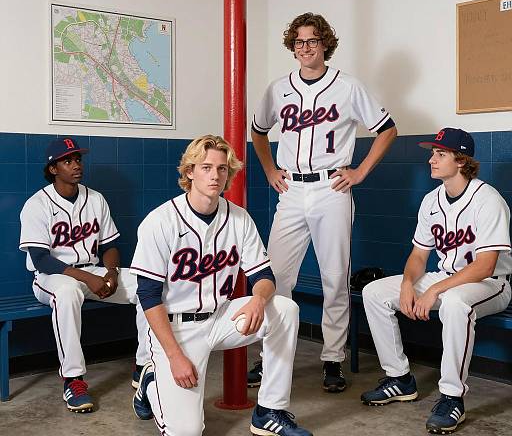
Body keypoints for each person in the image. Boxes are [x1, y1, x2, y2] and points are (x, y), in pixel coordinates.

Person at [250, 12, 397, 391]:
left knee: (334, 277)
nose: (305, 47)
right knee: (275, 276)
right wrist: (268, 169)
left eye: (312, 40)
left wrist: (360, 172)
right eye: (299, 41)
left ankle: (332, 359)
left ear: (325, 44)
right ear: (292, 46)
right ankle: (268, 357)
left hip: (332, 188)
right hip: (292, 190)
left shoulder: (347, 87)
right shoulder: (278, 88)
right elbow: (258, 130)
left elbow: (387, 129)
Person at [131, 135, 312, 436]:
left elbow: (264, 277)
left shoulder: (239, 218)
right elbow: (148, 296)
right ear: (189, 172)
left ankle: (270, 410)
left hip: (221, 317)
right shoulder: (160, 221)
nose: (215, 175)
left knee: (284, 308)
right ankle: (151, 381)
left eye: (222, 168)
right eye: (205, 167)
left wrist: (257, 300)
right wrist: (175, 357)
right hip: (177, 330)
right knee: (187, 432)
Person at [361, 128, 512, 434]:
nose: (431, 159)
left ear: (461, 161)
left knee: (455, 305)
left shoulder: (487, 199)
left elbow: (485, 266)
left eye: (440, 154)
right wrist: (406, 284)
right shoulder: (432, 200)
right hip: (446, 277)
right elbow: (418, 256)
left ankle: (452, 398)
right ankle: (400, 378)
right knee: (374, 292)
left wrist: (435, 290)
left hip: (491, 284)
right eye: (432, 153)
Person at [19, 137, 149, 413]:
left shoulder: (95, 198)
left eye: (78, 159)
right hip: (51, 278)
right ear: (53, 168)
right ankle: (73, 380)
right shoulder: (37, 204)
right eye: (67, 160)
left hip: (93, 270)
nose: (76, 165)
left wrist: (112, 273)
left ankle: (144, 367)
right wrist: (88, 279)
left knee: (146, 284)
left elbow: (110, 246)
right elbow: (41, 260)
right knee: (67, 293)